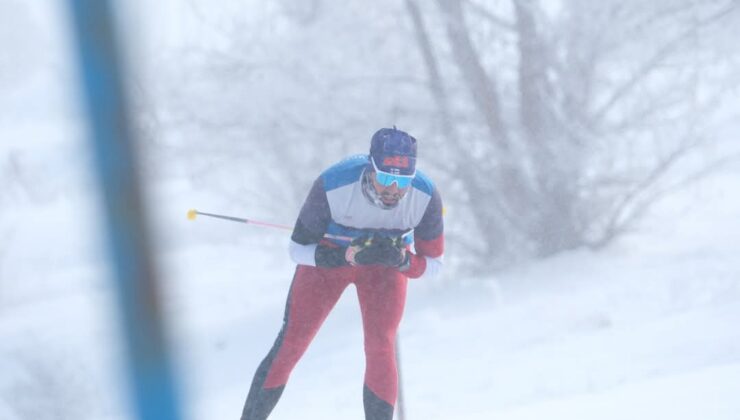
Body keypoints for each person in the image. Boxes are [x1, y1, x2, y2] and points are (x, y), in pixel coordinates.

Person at [240, 127, 444, 420]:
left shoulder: (425, 196)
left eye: (402, 181)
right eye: (386, 178)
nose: (394, 190)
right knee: (293, 343)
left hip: (384, 270)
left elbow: (434, 264)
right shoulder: (333, 184)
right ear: (370, 168)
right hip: (329, 264)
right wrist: (340, 256)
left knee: (380, 344)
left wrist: (401, 261)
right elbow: (297, 249)